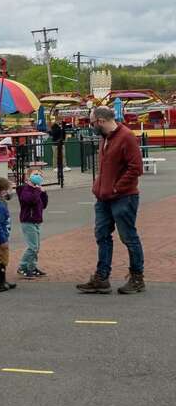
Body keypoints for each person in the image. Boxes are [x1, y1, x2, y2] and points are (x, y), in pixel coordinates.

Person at [77, 105, 145, 295]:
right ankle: (102, 277)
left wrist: (116, 187)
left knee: (129, 237)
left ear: (100, 121)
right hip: (104, 197)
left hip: (123, 197)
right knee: (102, 235)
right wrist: (99, 186)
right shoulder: (105, 138)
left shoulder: (126, 137)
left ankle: (137, 278)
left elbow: (136, 168)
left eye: (91, 123)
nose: (91, 127)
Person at [16, 168, 48, 278]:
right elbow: (30, 200)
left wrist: (43, 194)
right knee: (33, 247)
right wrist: (37, 190)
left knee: (36, 247)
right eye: (35, 174)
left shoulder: (37, 189)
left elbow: (43, 205)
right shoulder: (26, 190)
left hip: (37, 221)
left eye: (40, 174)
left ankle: (32, 267)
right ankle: (23, 266)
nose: (38, 176)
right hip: (28, 221)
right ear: (28, 177)